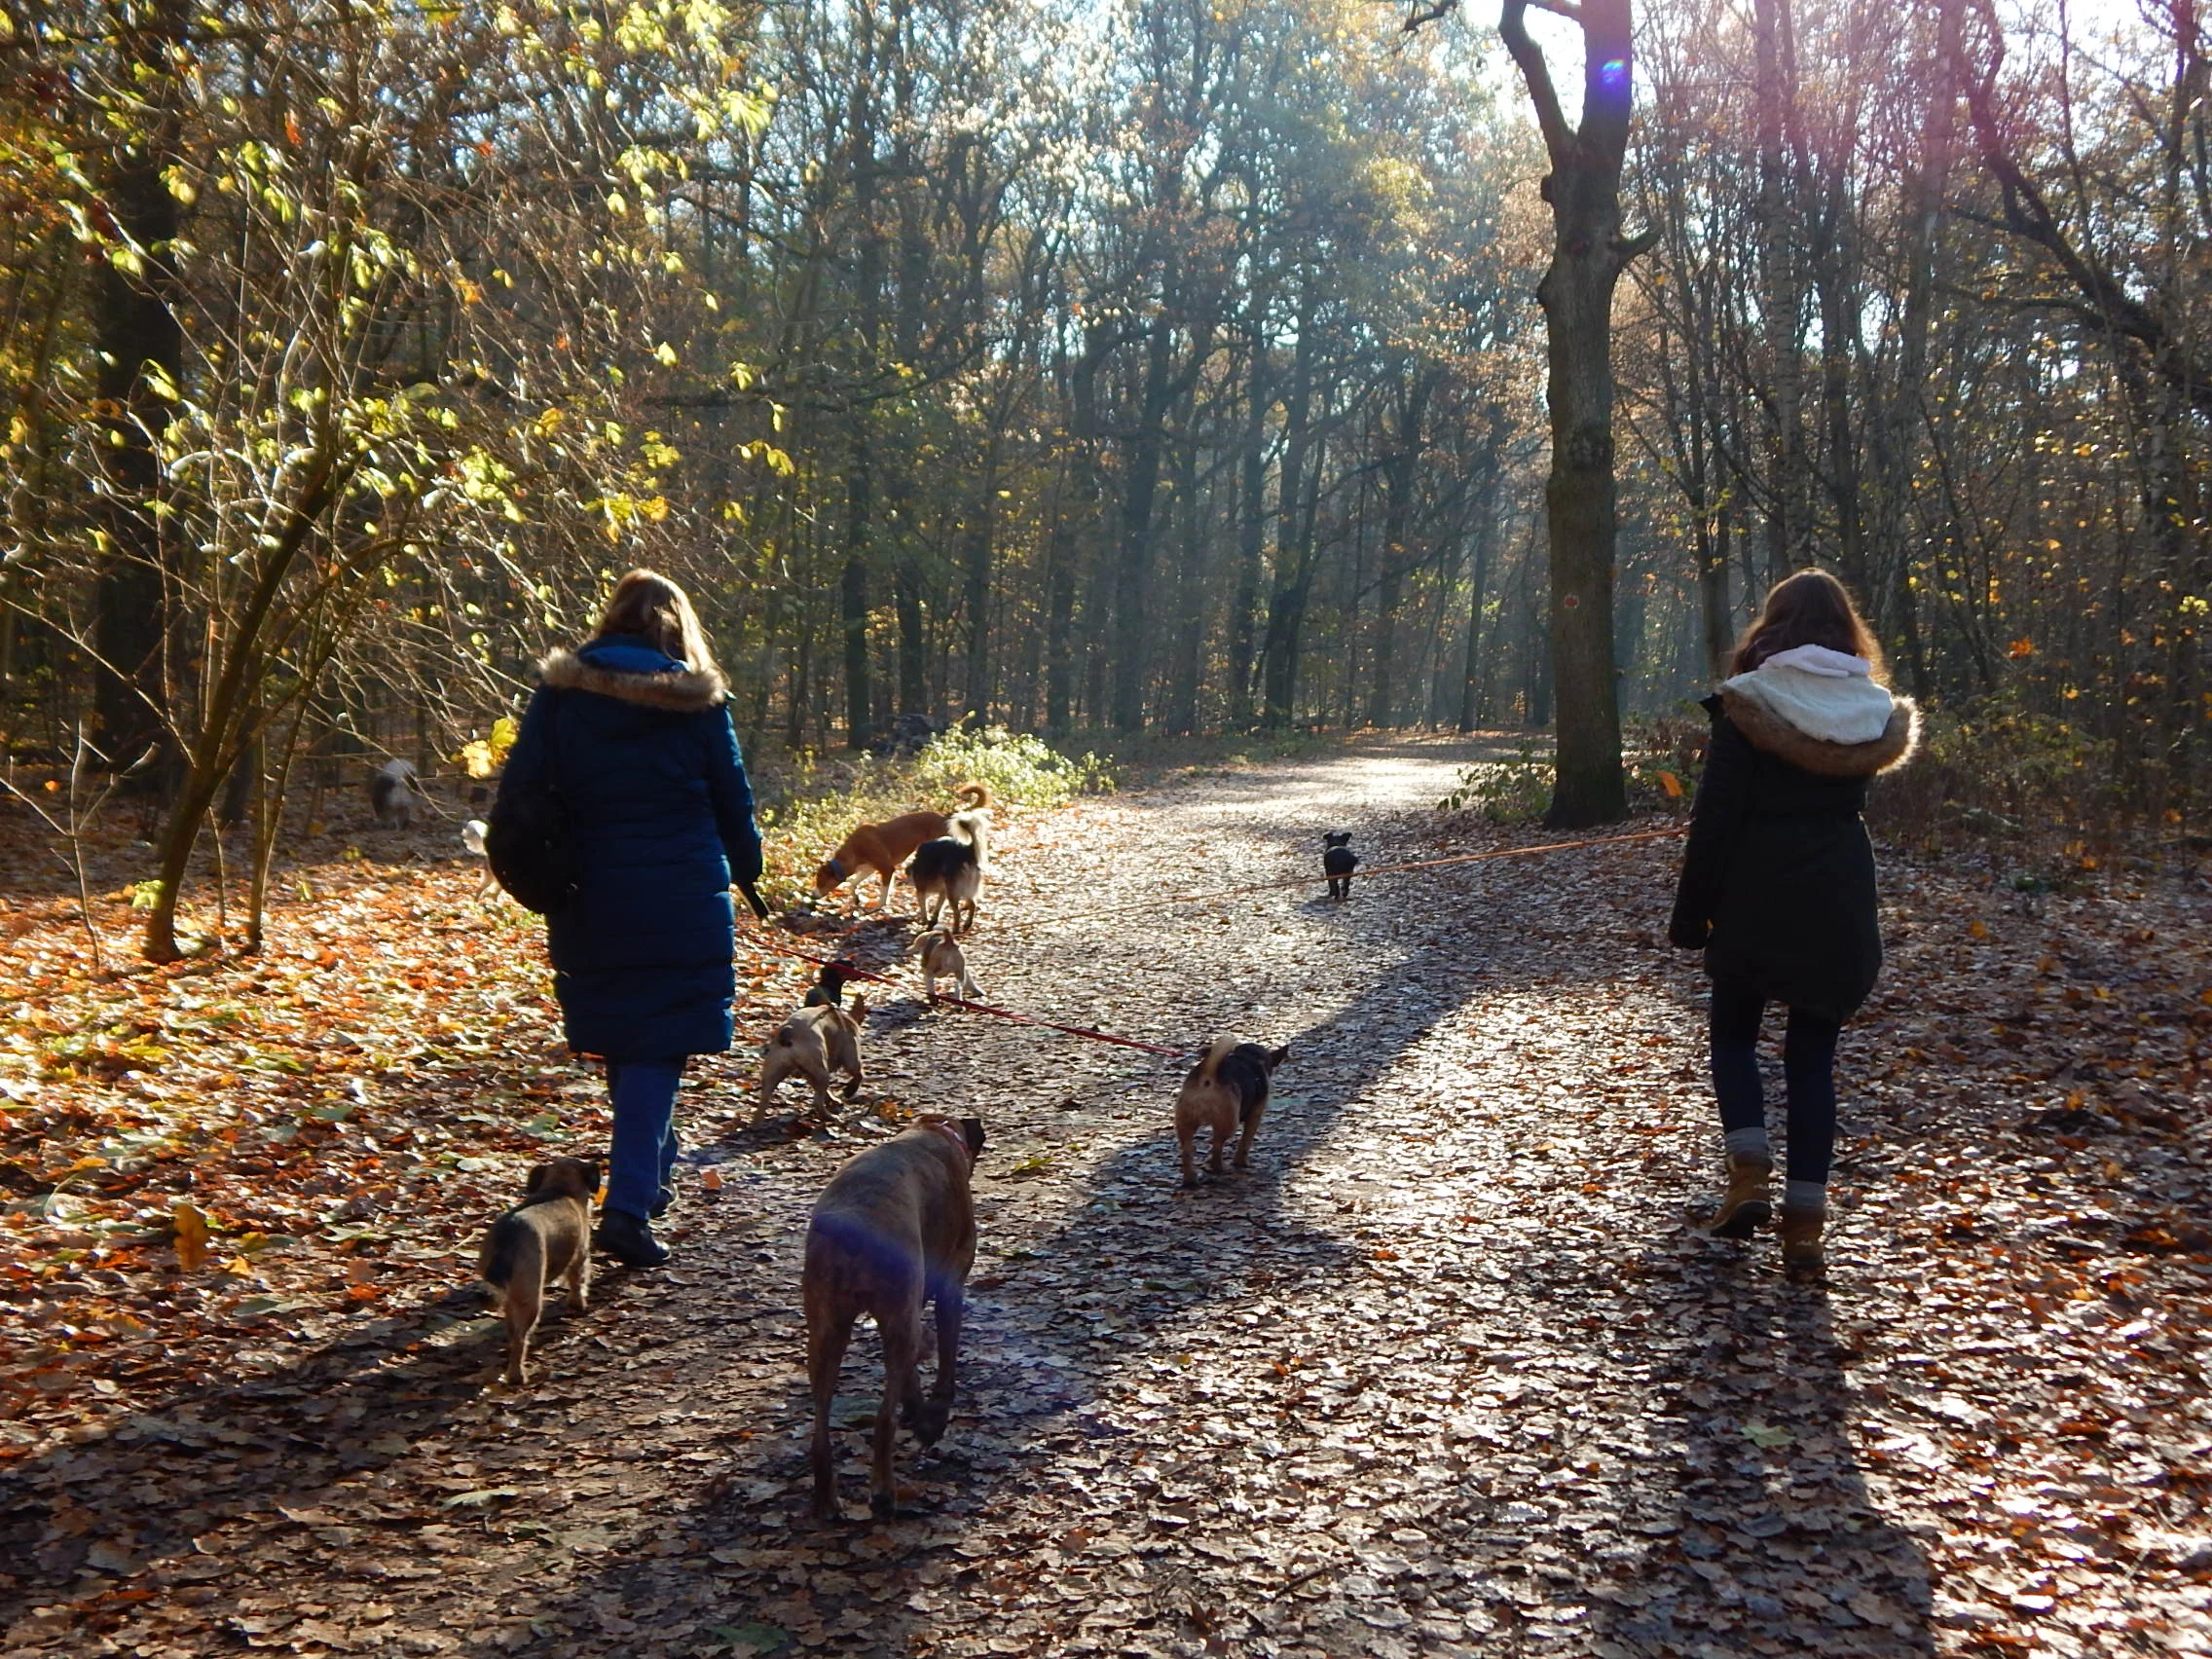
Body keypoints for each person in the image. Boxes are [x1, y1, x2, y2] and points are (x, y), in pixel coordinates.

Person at [498, 570, 763, 1268]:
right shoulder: (698, 704)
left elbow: (520, 792)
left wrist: (540, 872)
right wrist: (749, 868)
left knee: (632, 1040)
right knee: (655, 1047)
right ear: (678, 628)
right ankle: (626, 1208)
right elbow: (733, 800)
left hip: (589, 892)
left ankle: (652, 1180)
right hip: (680, 895)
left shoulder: (560, 697)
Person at [1668, 570, 1919, 1269]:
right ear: (1846, 631)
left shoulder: (1749, 701)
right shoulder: (1872, 709)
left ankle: (1749, 1173)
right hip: (1839, 890)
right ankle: (1805, 1222)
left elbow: (1715, 820)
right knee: (1813, 1061)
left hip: (1757, 888)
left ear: (1771, 627)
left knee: (1733, 1038)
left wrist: (1691, 918)